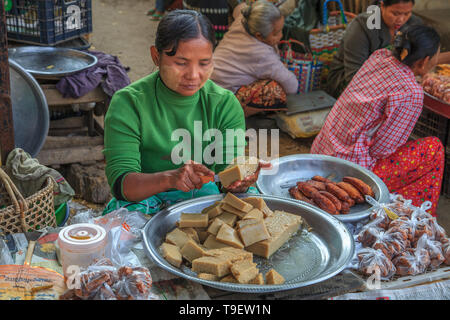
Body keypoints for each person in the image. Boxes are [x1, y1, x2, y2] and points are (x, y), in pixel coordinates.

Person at [103, 10, 265, 215]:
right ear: (156, 56)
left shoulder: (224, 104)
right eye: (181, 63)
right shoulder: (128, 103)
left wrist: (239, 181)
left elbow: (226, 177)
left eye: (204, 63)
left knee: (252, 208)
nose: (194, 75)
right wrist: (169, 179)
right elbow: (122, 184)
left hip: (202, 195)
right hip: (143, 198)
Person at [310, 25, 445, 216]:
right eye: (436, 57)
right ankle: (414, 216)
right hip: (349, 173)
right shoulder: (410, 92)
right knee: (433, 149)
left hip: (320, 152)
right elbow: (381, 150)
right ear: (424, 62)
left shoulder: (379, 56)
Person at [326, 0, 450, 98]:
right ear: (382, 6)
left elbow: (419, 60)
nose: (401, 19)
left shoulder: (414, 24)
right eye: (395, 13)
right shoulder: (362, 26)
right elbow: (354, 77)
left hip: (391, 80)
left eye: (407, 13)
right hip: (351, 83)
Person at [210, 0, 298, 117]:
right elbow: (292, 86)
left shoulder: (245, 18)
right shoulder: (261, 54)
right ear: (259, 36)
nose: (281, 36)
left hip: (208, 85)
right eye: (276, 33)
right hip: (220, 101)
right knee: (274, 89)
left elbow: (238, 7)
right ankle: (232, 117)